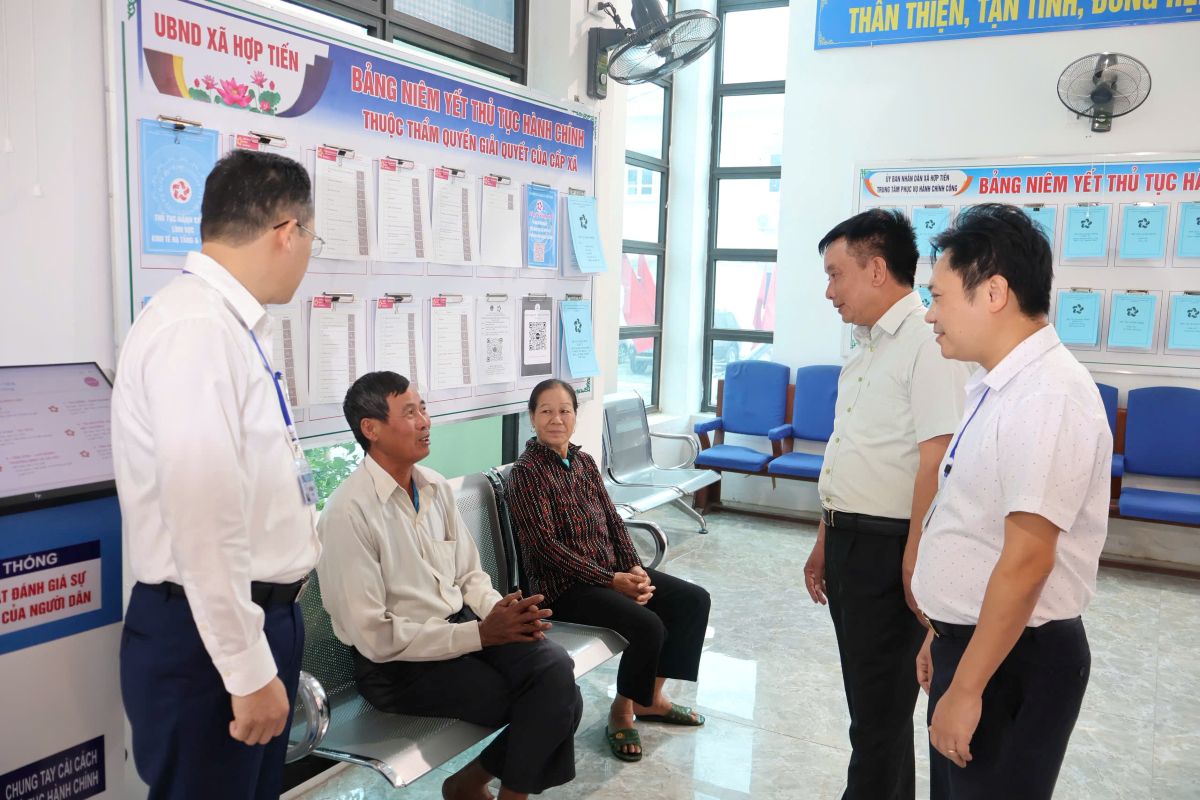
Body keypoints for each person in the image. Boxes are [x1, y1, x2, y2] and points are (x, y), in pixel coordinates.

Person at [112, 149, 322, 799]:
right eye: (312, 237)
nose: (308, 253)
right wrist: (247, 669)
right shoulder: (195, 329)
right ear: (287, 232)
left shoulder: (226, 325)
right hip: (209, 637)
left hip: (244, 623)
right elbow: (202, 517)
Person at [912, 203, 1112, 800]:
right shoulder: (1002, 386)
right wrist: (942, 632)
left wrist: (969, 686)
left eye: (940, 296)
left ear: (993, 292)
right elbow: (974, 527)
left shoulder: (1047, 398)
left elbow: (1027, 562)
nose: (930, 315)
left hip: (1013, 663)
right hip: (979, 645)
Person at [317, 371, 581, 800]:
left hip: (464, 632)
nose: (425, 421)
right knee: (552, 699)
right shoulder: (348, 513)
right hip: (400, 667)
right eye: (410, 413)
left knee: (555, 672)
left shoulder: (435, 487)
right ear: (371, 429)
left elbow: (470, 575)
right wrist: (480, 633)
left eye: (423, 409)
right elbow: (375, 636)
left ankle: (470, 784)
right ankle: (473, 786)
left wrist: (499, 613)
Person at [802, 209, 970, 800]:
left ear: (876, 270)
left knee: (879, 714)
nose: (828, 291)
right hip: (851, 542)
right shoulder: (865, 347)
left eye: (835, 274)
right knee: (872, 709)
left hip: (892, 549)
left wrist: (914, 558)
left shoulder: (926, 342)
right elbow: (852, 451)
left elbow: (936, 459)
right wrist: (826, 540)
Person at [506, 379, 711, 763]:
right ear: (532, 418)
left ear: (575, 415)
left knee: (692, 601)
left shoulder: (583, 462)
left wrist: (635, 566)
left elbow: (613, 522)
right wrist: (613, 581)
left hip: (607, 574)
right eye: (546, 411)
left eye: (564, 410)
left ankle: (650, 698)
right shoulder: (527, 474)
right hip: (562, 589)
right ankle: (623, 711)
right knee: (648, 624)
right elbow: (546, 548)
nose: (556, 419)